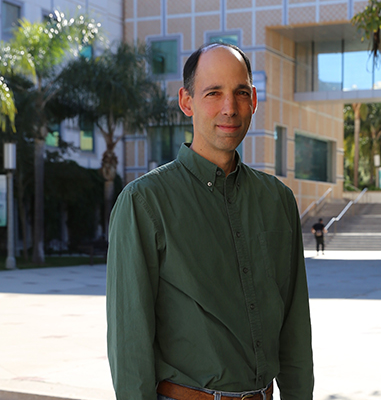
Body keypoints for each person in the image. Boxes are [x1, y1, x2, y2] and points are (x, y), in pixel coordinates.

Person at [106, 43, 314, 400]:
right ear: (186, 102)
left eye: (240, 93)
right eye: (213, 93)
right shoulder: (144, 202)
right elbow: (131, 344)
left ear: (254, 101)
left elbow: (295, 328)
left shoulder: (278, 200)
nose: (229, 108)